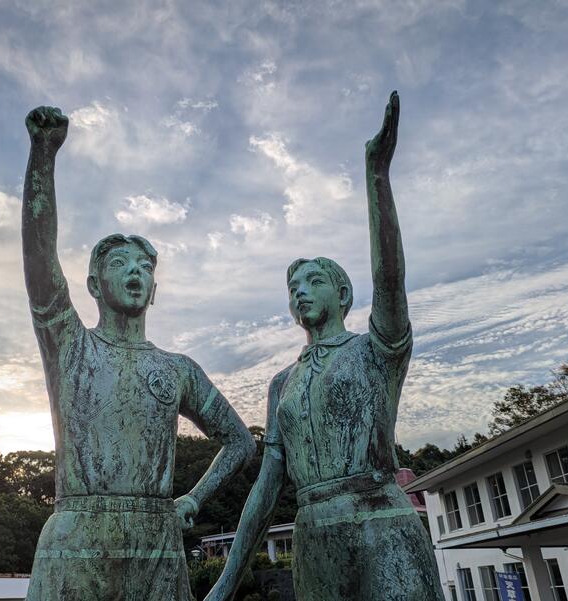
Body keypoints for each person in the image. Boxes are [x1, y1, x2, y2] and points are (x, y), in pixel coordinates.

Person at [205, 93, 443, 601]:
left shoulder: (375, 351)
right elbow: (267, 487)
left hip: (382, 522)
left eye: (314, 282)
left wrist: (376, 176)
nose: (300, 292)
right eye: (294, 288)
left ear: (343, 294)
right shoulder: (281, 384)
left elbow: (391, 281)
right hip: (314, 535)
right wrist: (225, 582)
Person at [22, 106, 255, 601]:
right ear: (93, 284)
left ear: (154, 289)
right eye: (120, 263)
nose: (135, 271)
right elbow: (40, 263)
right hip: (77, 537)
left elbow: (240, 442)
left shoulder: (177, 369)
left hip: (157, 543)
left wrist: (193, 498)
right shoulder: (71, 345)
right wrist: (43, 155)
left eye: (145, 267)